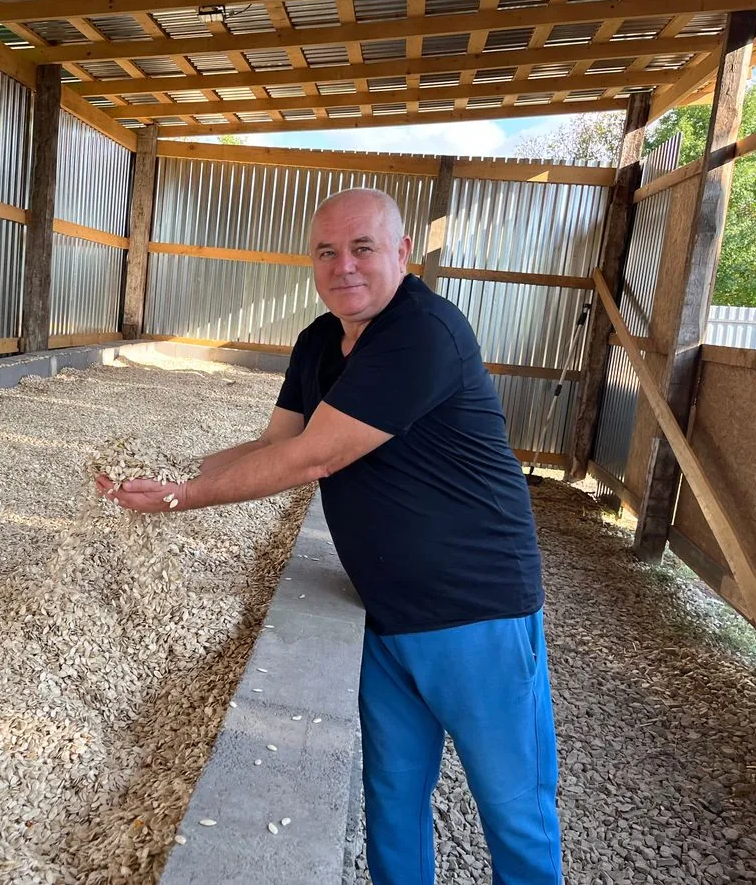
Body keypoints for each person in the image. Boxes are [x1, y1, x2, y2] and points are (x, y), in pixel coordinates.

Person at [96, 187, 562, 884]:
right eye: (327, 251)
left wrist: (176, 499)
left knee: (514, 809)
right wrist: (156, 475)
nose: (344, 266)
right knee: (394, 799)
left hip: (477, 614)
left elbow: (315, 457)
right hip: (384, 613)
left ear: (403, 253)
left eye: (363, 248)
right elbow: (274, 442)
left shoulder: (422, 333)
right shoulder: (319, 340)